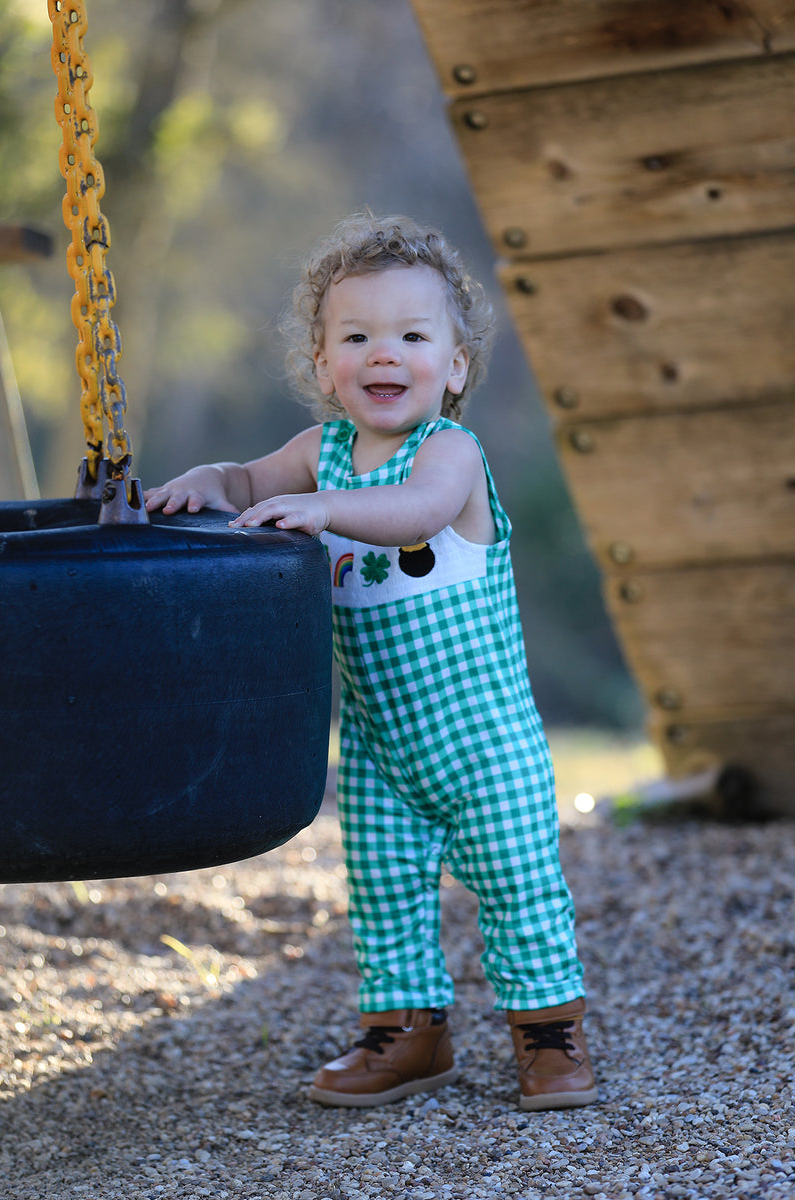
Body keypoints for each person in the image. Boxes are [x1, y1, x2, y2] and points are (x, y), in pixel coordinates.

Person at [145, 213, 597, 1112]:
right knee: (384, 897)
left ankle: (548, 1036)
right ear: (323, 367)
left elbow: (416, 516)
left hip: (485, 743)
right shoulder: (321, 453)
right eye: (356, 336)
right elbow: (244, 480)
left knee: (518, 885)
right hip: (384, 753)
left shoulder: (449, 455)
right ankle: (407, 1035)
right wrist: (214, 480)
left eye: (411, 335)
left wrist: (323, 507)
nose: (382, 352)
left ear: (455, 366)